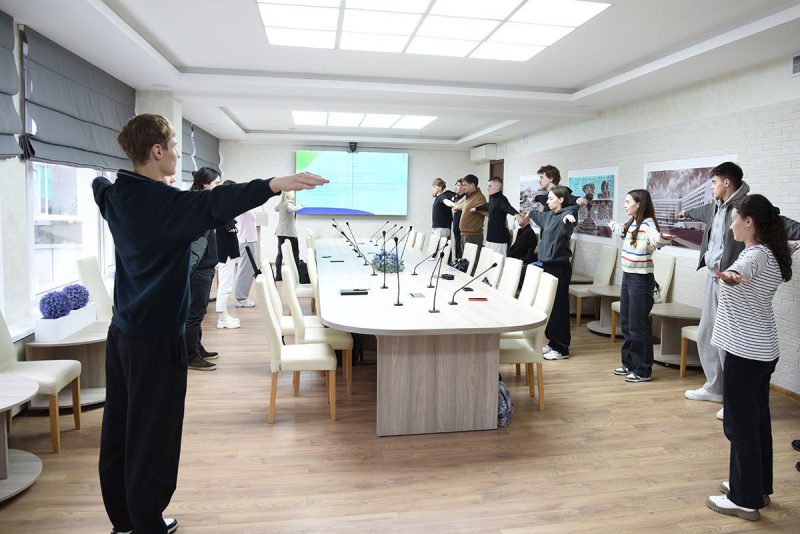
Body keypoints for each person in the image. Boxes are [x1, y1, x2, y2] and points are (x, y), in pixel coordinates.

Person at [93, 113, 326, 534]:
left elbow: (99, 185)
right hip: (157, 338)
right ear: (156, 151)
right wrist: (275, 184)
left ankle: (123, 521)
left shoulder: (116, 195)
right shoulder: (166, 205)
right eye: (174, 147)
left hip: (122, 331)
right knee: (154, 434)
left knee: (120, 427)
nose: (178, 154)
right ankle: (147, 523)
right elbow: (219, 202)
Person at [679, 162, 800, 420]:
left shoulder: (746, 207)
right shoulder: (716, 206)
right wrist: (686, 213)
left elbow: (777, 222)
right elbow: (700, 212)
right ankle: (716, 387)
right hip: (715, 279)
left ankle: (732, 398)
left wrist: (732, 275)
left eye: (713, 182)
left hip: (734, 280)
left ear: (726, 182)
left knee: (728, 341)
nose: (711, 187)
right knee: (707, 334)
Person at [705, 194, 792, 521]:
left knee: (739, 426)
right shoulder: (769, 251)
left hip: (745, 353)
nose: (731, 226)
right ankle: (756, 487)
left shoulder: (754, 257)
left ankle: (744, 500)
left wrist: (728, 275)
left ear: (750, 222)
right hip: (762, 351)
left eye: (734, 220)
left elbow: (741, 271)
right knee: (756, 424)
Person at [609, 189, 673, 383]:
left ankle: (643, 370)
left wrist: (661, 239)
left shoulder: (648, 224)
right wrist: (611, 224)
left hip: (641, 280)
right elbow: (619, 228)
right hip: (628, 276)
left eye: (628, 202)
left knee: (639, 325)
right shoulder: (632, 223)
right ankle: (629, 363)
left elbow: (655, 238)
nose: (625, 205)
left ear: (639, 204)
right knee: (627, 322)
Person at [528, 186, 579, 361]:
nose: (548, 201)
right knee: (549, 307)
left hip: (559, 267)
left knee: (559, 308)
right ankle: (552, 342)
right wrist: (529, 212)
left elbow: (570, 214)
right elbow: (536, 214)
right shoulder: (548, 216)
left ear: (561, 200)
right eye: (548, 198)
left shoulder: (567, 215)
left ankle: (562, 348)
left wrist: (569, 216)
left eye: (551, 199)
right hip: (547, 265)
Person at [185, 168, 225, 372]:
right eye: (216, 183)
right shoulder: (197, 204)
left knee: (199, 313)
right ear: (205, 184)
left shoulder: (204, 202)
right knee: (194, 313)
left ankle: (197, 348)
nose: (219, 186)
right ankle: (191, 356)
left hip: (206, 266)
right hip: (199, 268)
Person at [214, 179, 242, 329]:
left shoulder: (225, 208)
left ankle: (224, 315)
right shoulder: (222, 209)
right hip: (225, 254)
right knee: (225, 286)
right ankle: (222, 319)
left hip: (227, 253)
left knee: (226, 286)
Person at [474, 176, 518, 256]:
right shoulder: (493, 199)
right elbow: (487, 206)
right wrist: (476, 208)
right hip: (490, 239)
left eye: (490, 186)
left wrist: (515, 213)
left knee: (498, 263)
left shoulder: (501, 199)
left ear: (497, 187)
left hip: (499, 241)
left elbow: (507, 207)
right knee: (488, 261)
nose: (488, 188)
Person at [454, 174, 487, 252]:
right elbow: (463, 206)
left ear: (472, 185)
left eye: (465, 185)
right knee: (465, 258)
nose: (463, 187)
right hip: (465, 235)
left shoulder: (479, 198)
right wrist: (456, 207)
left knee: (473, 259)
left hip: (473, 236)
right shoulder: (469, 197)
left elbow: (488, 211)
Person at [274, 190, 302, 281]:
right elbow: (291, 209)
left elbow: (275, 209)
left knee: (280, 254)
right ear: (289, 195)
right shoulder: (289, 203)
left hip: (280, 232)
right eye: (293, 192)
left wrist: (282, 202)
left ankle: (278, 276)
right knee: (295, 253)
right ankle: (297, 276)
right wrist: (301, 206)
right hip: (290, 233)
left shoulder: (282, 204)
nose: (294, 194)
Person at [235, 207, 259, 307]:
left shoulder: (246, 207)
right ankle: (241, 299)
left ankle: (242, 297)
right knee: (245, 270)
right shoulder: (242, 206)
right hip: (246, 241)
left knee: (247, 270)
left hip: (249, 240)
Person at [443, 178, 465, 258]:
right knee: (456, 248)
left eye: (458, 185)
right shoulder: (456, 197)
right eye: (455, 185)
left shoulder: (466, 198)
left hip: (462, 230)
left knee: (462, 250)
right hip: (455, 229)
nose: (456, 187)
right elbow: (448, 193)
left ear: (463, 187)